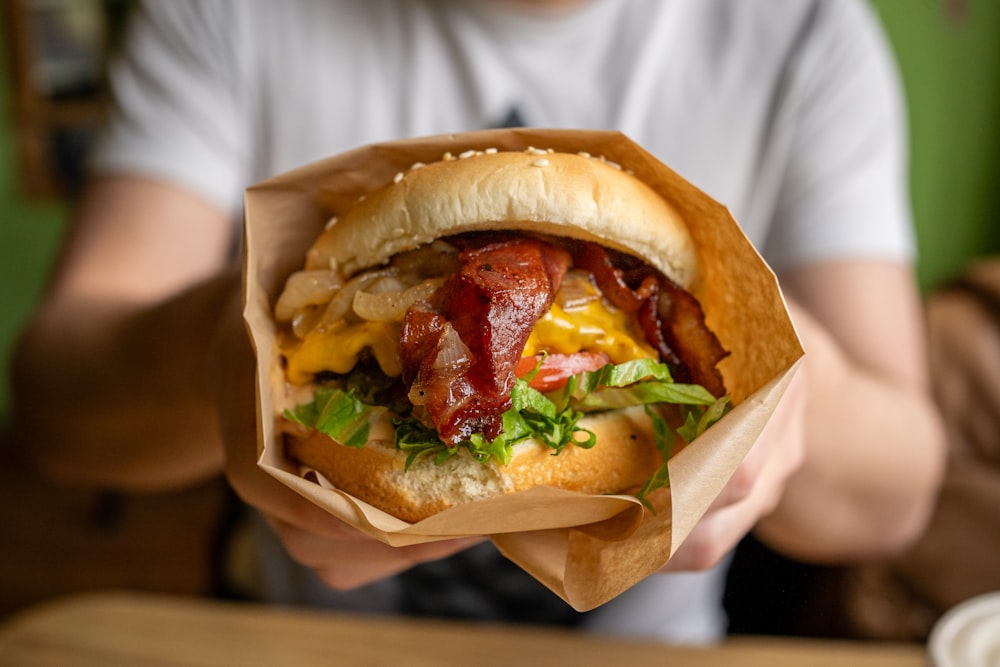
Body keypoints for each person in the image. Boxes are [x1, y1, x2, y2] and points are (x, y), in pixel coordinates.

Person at [11, 0, 945, 644]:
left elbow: (903, 491)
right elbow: (55, 406)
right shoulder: (228, 14)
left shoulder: (805, 31)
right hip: (295, 641)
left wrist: (786, 388)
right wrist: (228, 332)